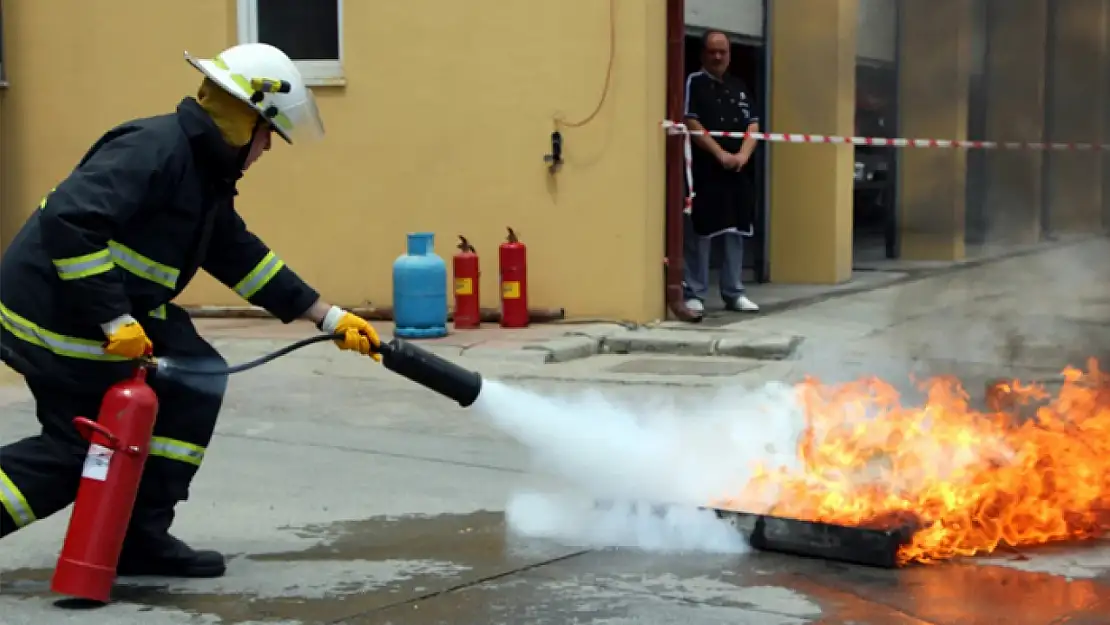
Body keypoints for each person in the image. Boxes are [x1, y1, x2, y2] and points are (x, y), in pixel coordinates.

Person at [0, 43, 382, 578]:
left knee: (196, 376)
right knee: (81, 448)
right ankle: (126, 532)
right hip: (53, 312)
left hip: (98, 307)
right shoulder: (153, 150)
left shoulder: (202, 170)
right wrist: (115, 320)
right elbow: (71, 222)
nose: (269, 148)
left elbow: (238, 254)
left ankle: (140, 535)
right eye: (270, 133)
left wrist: (329, 317)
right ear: (246, 119)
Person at [682, 29, 761, 321]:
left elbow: (753, 126)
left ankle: (734, 292)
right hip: (705, 171)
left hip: (738, 173)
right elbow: (690, 121)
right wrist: (720, 154)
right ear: (703, 53)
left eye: (723, 52)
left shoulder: (739, 86)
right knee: (701, 231)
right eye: (712, 51)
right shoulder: (695, 82)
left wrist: (741, 155)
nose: (718, 57)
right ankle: (695, 293)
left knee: (735, 231)